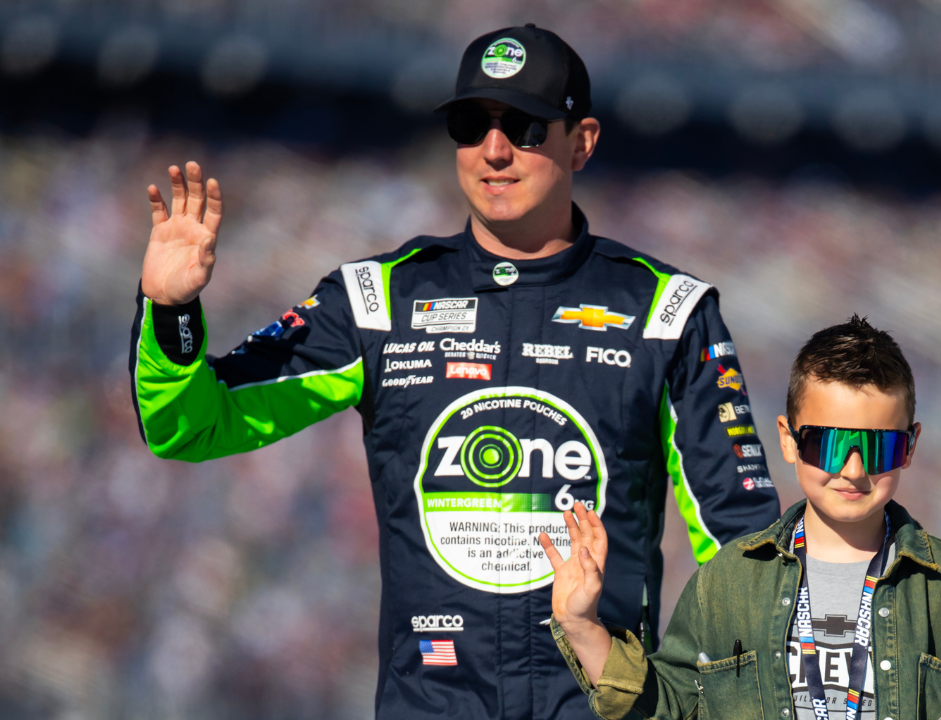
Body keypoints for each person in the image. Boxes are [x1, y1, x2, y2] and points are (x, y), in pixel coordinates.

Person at [128, 24, 780, 720]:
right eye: (471, 126)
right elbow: (191, 426)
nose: (494, 151)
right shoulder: (379, 300)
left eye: (525, 127)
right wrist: (172, 312)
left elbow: (741, 549)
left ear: (581, 142)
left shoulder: (665, 312)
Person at [542, 316, 941, 720]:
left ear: (909, 447)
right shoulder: (727, 582)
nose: (854, 469)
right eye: (828, 444)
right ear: (787, 439)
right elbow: (664, 709)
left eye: (878, 446)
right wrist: (580, 624)